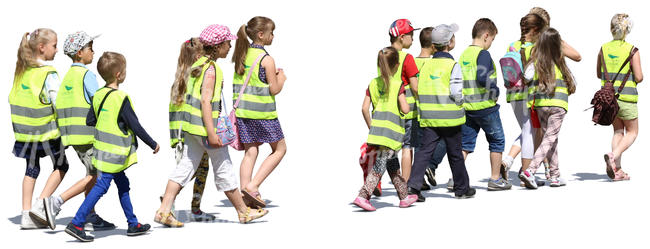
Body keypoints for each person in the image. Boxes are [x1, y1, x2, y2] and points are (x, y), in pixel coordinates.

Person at [157, 25, 269, 227]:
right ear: (217, 46)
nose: (230, 46)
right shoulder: (212, 69)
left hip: (191, 128)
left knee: (185, 167)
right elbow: (206, 102)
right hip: (206, 129)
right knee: (224, 168)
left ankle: (164, 210)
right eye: (227, 43)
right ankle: (243, 212)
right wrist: (212, 132)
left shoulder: (196, 64)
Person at [65, 52, 157, 242]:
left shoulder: (98, 95)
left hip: (101, 151)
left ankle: (133, 224)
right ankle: (77, 222)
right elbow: (135, 126)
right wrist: (152, 143)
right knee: (101, 186)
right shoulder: (120, 98)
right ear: (118, 75)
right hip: (115, 154)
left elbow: (90, 120)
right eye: (124, 70)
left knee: (123, 184)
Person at [45, 31, 115, 231]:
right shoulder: (87, 75)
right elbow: (100, 102)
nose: (94, 52)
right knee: (96, 176)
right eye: (90, 48)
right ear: (79, 54)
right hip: (88, 135)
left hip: (73, 136)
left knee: (91, 172)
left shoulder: (67, 77)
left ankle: (90, 214)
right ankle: (56, 202)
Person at [10, 28, 70, 230]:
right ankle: (40, 205)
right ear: (42, 48)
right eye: (54, 45)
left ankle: (25, 215)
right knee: (62, 167)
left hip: (26, 133)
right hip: (47, 132)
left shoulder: (22, 72)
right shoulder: (48, 74)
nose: (57, 49)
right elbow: (59, 104)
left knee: (31, 169)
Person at [407, 24, 476, 200]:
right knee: (455, 154)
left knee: (424, 152)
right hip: (450, 119)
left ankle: (413, 187)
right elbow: (455, 91)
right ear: (449, 43)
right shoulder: (453, 65)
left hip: (430, 118)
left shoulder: (426, 66)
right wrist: (462, 103)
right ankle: (462, 189)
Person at [232, 16, 287, 208]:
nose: (273, 36)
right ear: (261, 35)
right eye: (272, 32)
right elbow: (274, 89)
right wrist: (282, 78)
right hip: (263, 115)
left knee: (250, 151)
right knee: (280, 149)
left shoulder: (242, 55)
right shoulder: (267, 59)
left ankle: (245, 193)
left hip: (243, 114)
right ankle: (253, 186)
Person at [354, 47, 418, 211]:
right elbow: (405, 109)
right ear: (397, 66)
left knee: (393, 166)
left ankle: (404, 197)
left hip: (377, 133)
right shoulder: (398, 85)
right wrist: (409, 105)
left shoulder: (373, 84)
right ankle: (363, 195)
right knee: (380, 166)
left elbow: (364, 108)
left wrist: (371, 126)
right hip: (391, 135)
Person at [519, 28, 577, 189]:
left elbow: (526, 77)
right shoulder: (560, 61)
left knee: (551, 139)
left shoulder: (535, 61)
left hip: (541, 105)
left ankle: (555, 176)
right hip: (559, 105)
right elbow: (570, 81)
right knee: (550, 138)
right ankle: (530, 171)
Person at [459, 18, 510, 191]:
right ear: (486, 36)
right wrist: (495, 92)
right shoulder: (483, 54)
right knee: (497, 141)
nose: (491, 44)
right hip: (486, 107)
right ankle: (495, 179)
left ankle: (456, 178)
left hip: (468, 109)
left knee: (465, 144)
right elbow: (482, 78)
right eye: (492, 40)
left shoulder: (464, 54)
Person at [598, 13, 643, 181]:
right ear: (627, 30)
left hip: (609, 99)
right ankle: (613, 155)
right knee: (632, 132)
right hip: (627, 99)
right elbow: (638, 77)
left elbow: (598, 73)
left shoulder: (603, 49)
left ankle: (617, 170)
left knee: (618, 131)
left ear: (611, 29)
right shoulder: (632, 50)